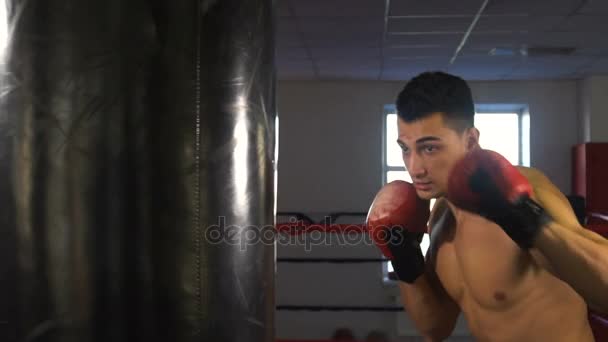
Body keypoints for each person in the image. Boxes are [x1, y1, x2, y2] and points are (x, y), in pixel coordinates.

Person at [366, 71, 608, 341]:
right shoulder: (441, 217)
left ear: (470, 140)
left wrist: (525, 217)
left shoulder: (528, 188)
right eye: (406, 149)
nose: (414, 168)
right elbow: (434, 327)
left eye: (429, 149)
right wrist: (405, 259)